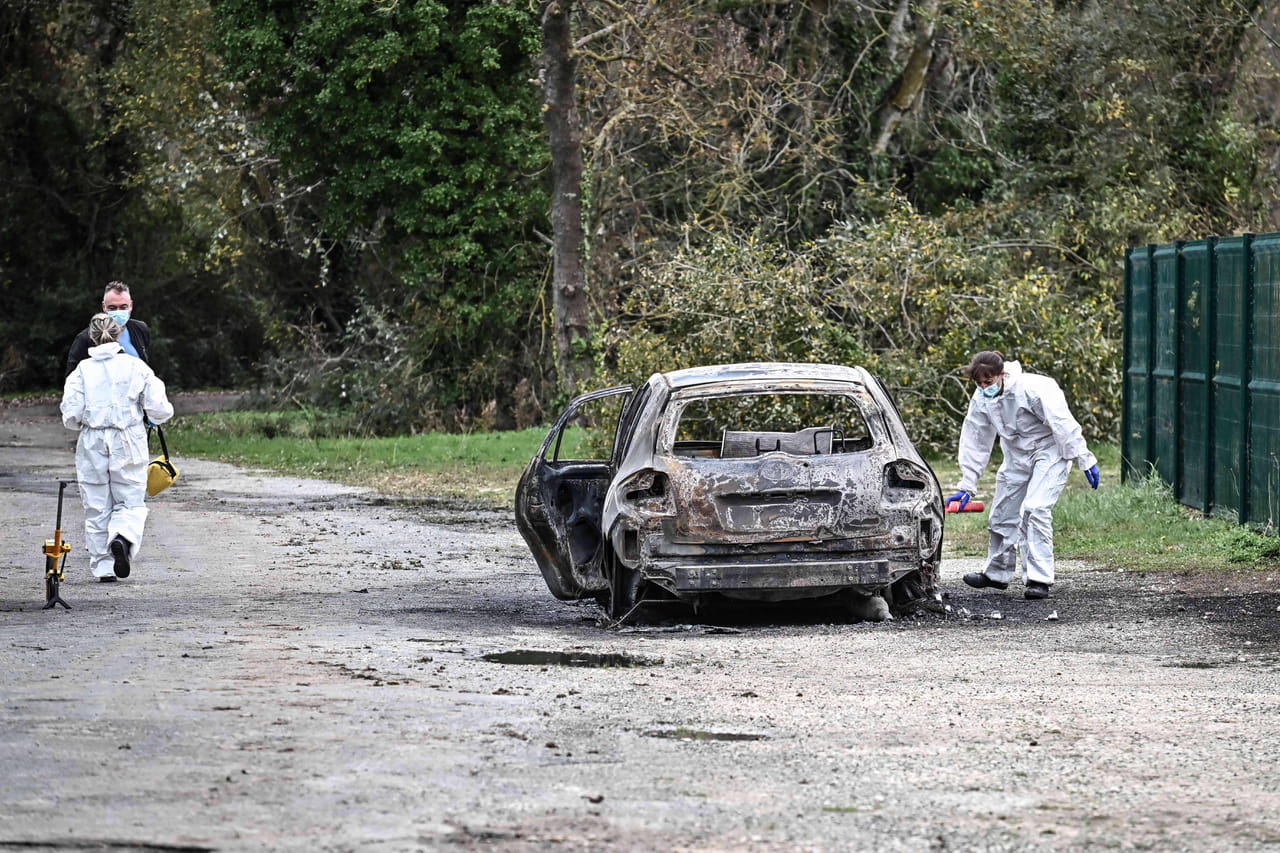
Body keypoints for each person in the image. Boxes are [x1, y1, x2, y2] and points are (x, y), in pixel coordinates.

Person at [946, 351, 1099, 600]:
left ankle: (1039, 578)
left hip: (1049, 451)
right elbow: (975, 438)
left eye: (989, 382)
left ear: (1001, 374)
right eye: (979, 383)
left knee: (1035, 509)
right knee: (1002, 513)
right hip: (1016, 454)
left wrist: (1084, 458)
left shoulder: (1034, 387)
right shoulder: (982, 398)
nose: (984, 387)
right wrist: (967, 485)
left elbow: (1062, 423)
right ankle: (996, 574)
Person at [61, 313, 174, 582]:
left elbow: (70, 415)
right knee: (130, 499)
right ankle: (122, 537)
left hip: (93, 440)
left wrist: (87, 423)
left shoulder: (82, 371)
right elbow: (159, 409)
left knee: (96, 503)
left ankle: (103, 566)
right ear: (118, 334)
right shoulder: (136, 368)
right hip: (128, 439)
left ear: (92, 336)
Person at [65, 281, 151, 378]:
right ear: (104, 307)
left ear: (130, 305)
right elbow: (72, 379)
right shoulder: (85, 338)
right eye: (112, 308)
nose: (118, 312)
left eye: (123, 307)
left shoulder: (140, 329)